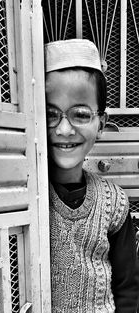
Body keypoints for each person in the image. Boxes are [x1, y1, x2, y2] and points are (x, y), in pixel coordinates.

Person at [44, 39, 139, 313]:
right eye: (51, 114)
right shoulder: (26, 199)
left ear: (102, 124)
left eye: (81, 114)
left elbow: (128, 287)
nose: (64, 129)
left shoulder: (114, 203)